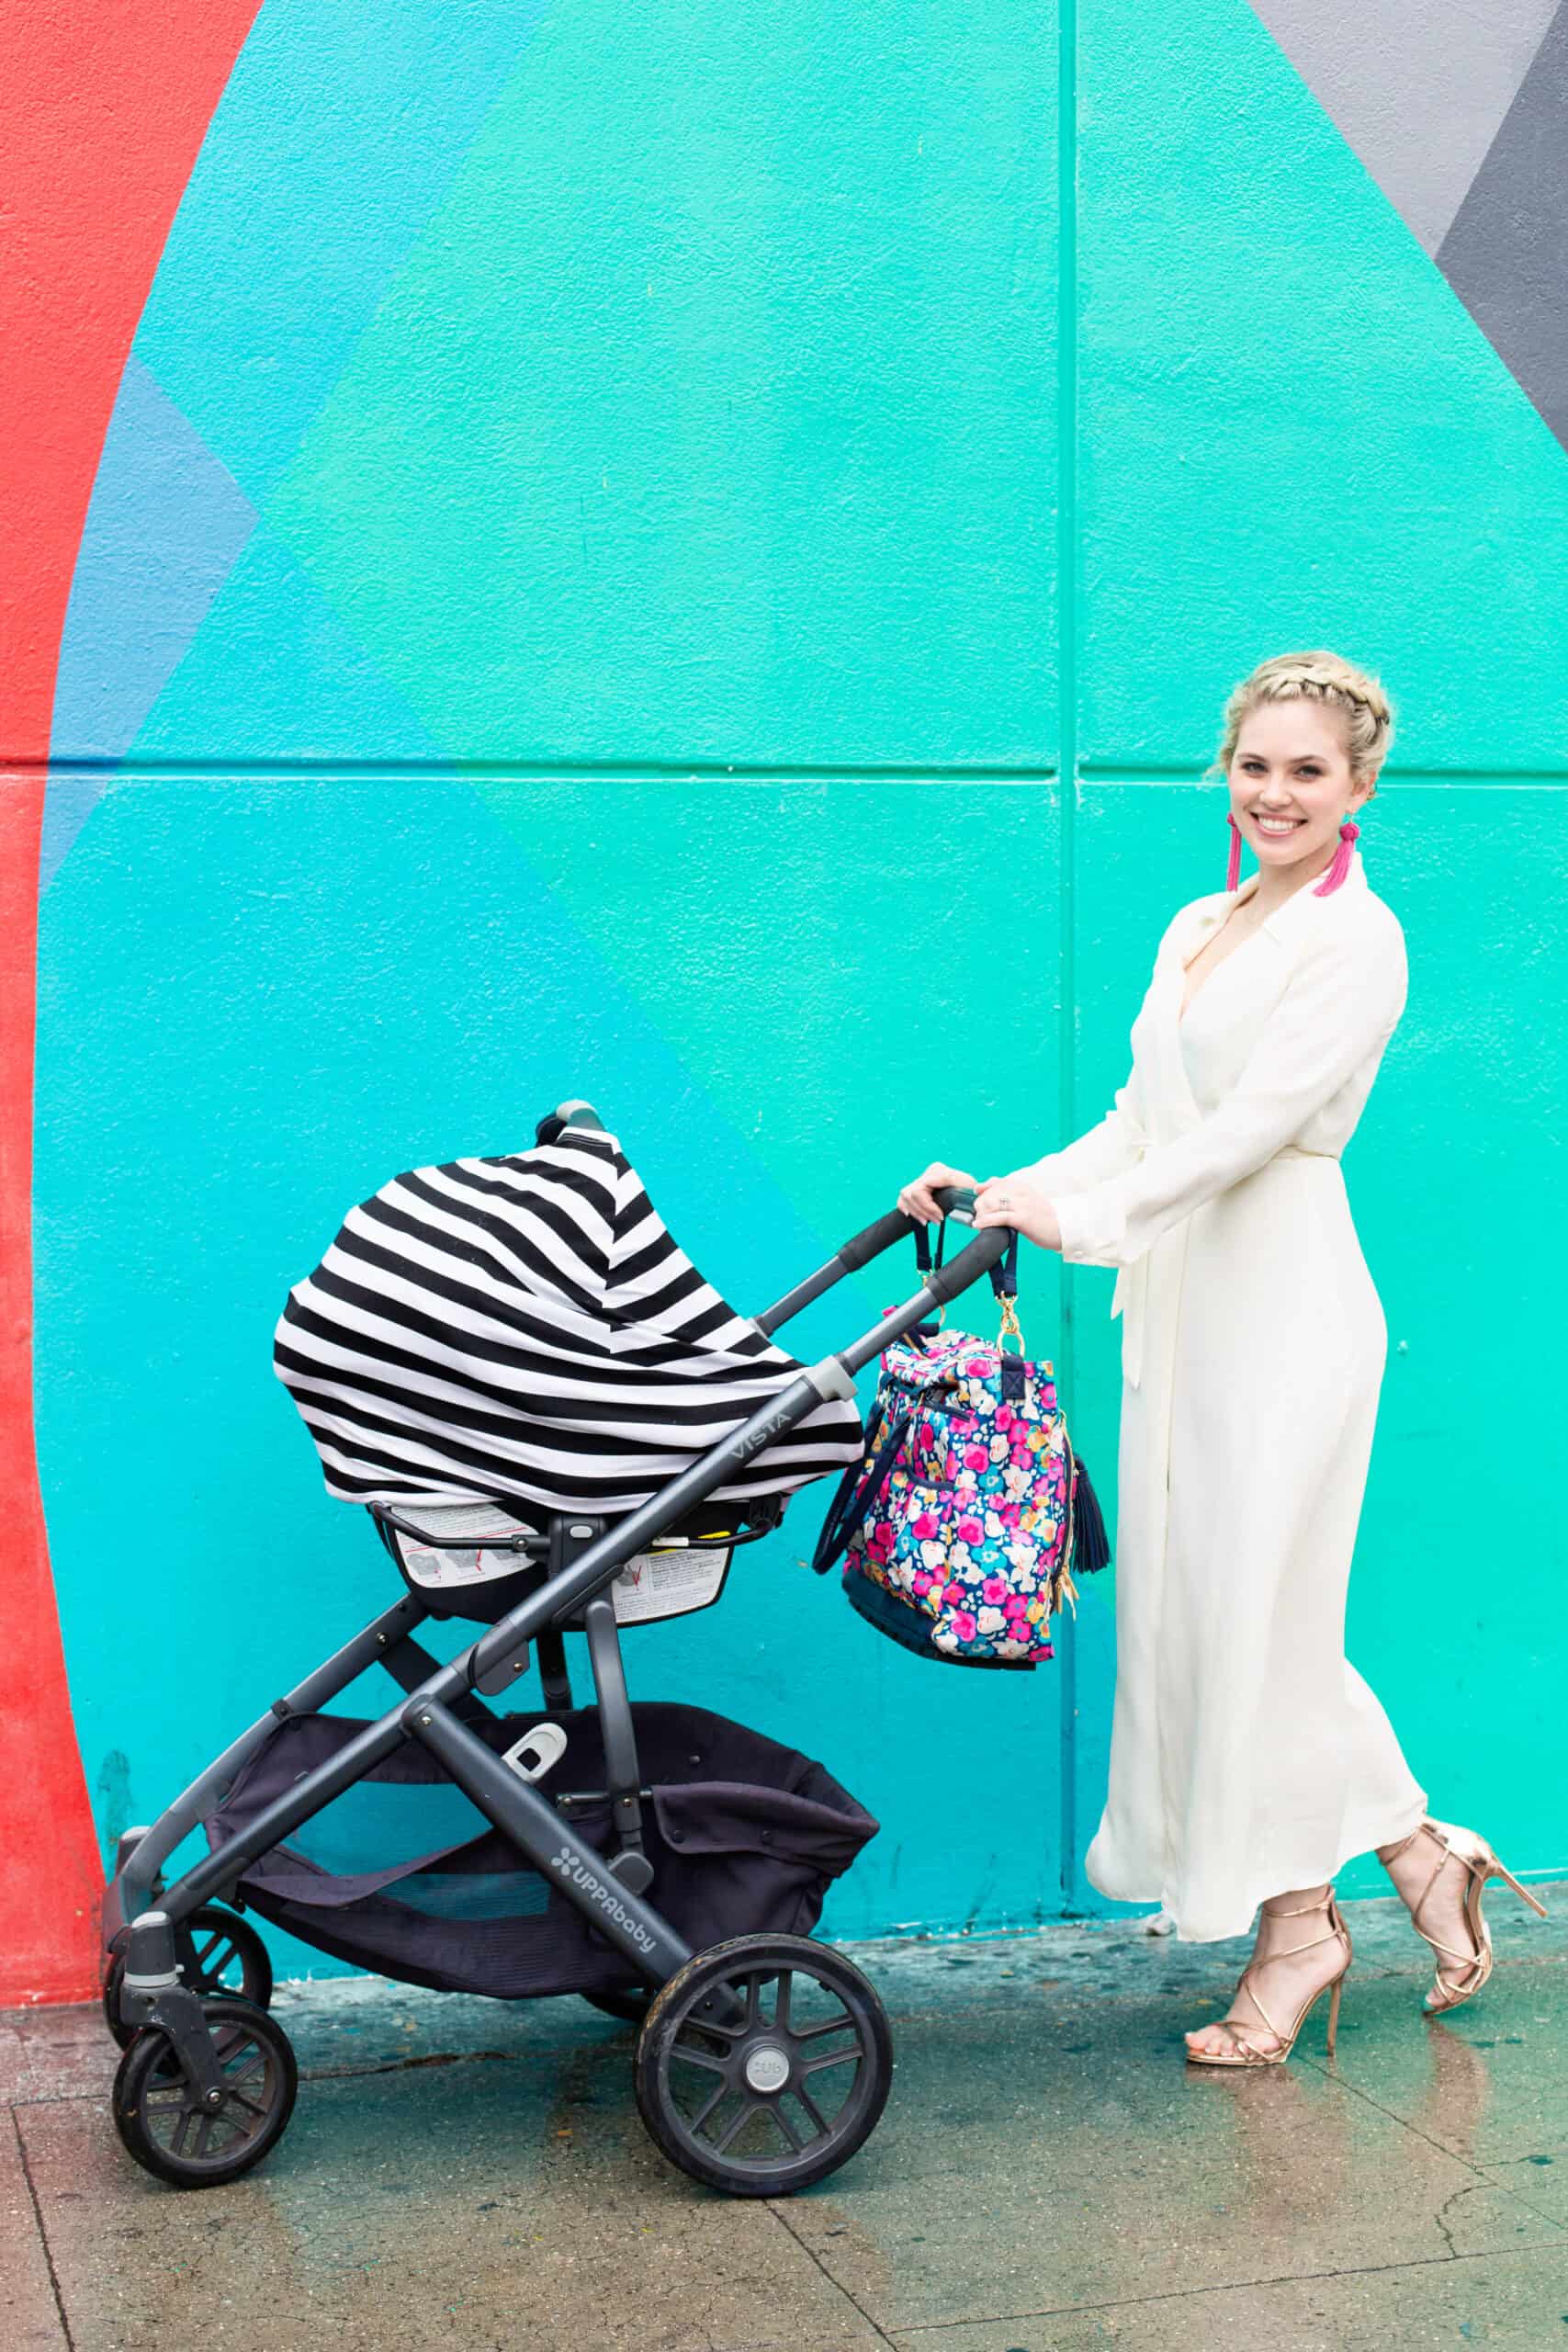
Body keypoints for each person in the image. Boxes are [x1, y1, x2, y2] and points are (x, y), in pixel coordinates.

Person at [899, 650, 1546, 2067]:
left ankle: (1300, 1930)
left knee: (1260, 1625)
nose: (1275, 794)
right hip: (1185, 1304)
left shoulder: (1356, 941)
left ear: (1360, 783)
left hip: (1290, 1306)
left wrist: (1081, 1224)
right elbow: (1145, 1115)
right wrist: (1005, 1188)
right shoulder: (1199, 920)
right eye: (1255, 766)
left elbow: (1247, 1133)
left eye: (1308, 771)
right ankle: (1421, 1853)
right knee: (1213, 1620)